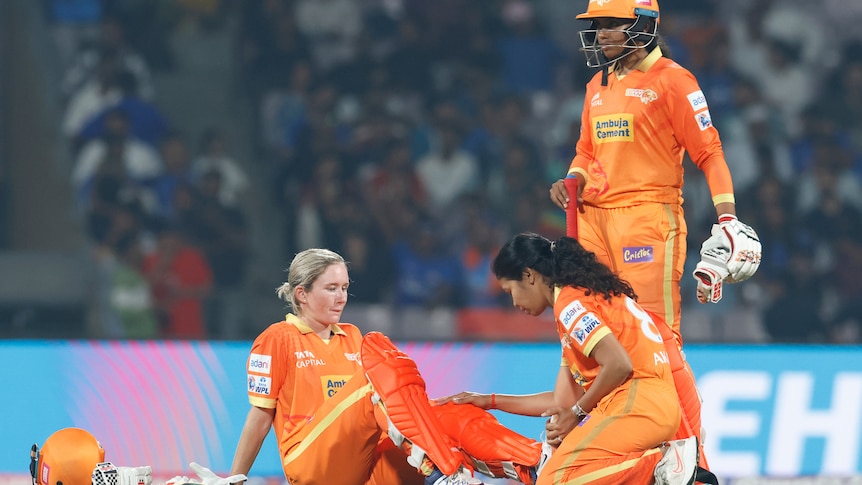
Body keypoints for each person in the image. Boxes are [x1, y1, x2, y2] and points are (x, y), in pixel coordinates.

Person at [547, 0, 761, 472]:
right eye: (595, 26)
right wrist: (573, 178)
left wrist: (727, 219)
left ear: (643, 26)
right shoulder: (597, 85)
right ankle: (622, 453)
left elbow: (710, 152)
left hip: (648, 220)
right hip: (593, 221)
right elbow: (586, 150)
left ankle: (691, 458)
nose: (600, 35)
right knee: (592, 336)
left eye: (609, 25)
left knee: (657, 343)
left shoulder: (674, 80)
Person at [229, 248, 542, 485]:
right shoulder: (278, 338)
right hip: (311, 464)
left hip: (362, 466)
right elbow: (259, 417)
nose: (341, 298)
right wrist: (234, 478)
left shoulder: (351, 336)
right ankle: (445, 472)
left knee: (447, 415)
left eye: (345, 288)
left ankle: (536, 463)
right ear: (302, 294)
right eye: (331, 288)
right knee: (377, 364)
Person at [436, 232, 701, 485]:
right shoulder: (580, 298)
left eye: (509, 291)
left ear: (529, 276)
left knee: (555, 479)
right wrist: (490, 401)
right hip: (650, 404)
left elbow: (619, 364)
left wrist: (577, 413)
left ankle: (661, 463)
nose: (514, 302)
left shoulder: (569, 304)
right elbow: (560, 400)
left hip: (636, 404)